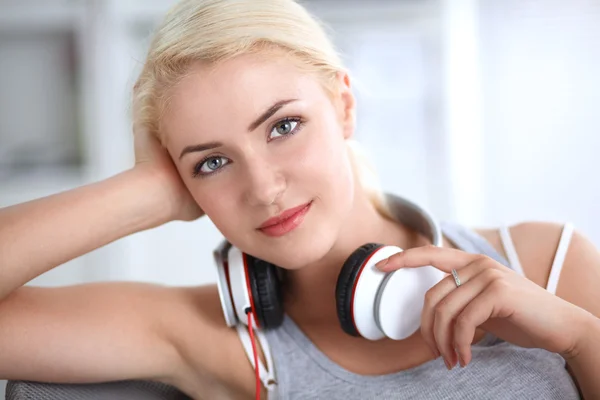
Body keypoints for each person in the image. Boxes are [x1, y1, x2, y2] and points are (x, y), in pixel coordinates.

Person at [0, 0, 599, 399]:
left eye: (282, 126)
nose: (262, 188)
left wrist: (578, 337)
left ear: (343, 105)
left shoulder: (545, 261)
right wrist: (144, 193)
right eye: (212, 162)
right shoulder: (221, 342)